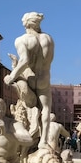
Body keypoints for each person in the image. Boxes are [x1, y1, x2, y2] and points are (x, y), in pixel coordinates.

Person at [4, 12, 54, 150]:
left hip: (30, 76)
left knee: (29, 105)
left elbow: (25, 60)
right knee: (45, 109)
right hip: (44, 78)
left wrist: (12, 76)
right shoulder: (49, 39)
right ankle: (43, 140)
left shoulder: (22, 40)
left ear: (26, 23)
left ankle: (28, 133)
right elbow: (49, 60)